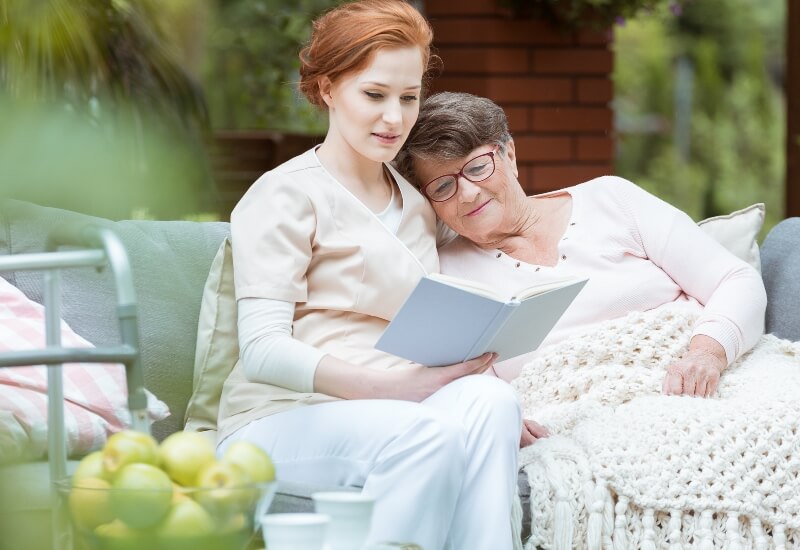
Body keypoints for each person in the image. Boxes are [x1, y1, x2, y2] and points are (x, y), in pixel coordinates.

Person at [215, 4, 522, 550]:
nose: (394, 118)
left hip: (392, 411)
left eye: (409, 98)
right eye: (374, 95)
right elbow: (262, 349)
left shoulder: (416, 203)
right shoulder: (285, 194)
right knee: (427, 434)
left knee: (491, 403)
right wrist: (395, 390)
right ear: (328, 88)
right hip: (282, 417)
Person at [395, 91, 767, 446]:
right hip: (575, 421)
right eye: (443, 187)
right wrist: (506, 419)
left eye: (478, 167)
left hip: (698, 378)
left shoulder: (612, 199)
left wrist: (707, 353)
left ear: (509, 154)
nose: (469, 193)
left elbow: (735, 279)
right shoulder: (448, 275)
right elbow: (467, 384)